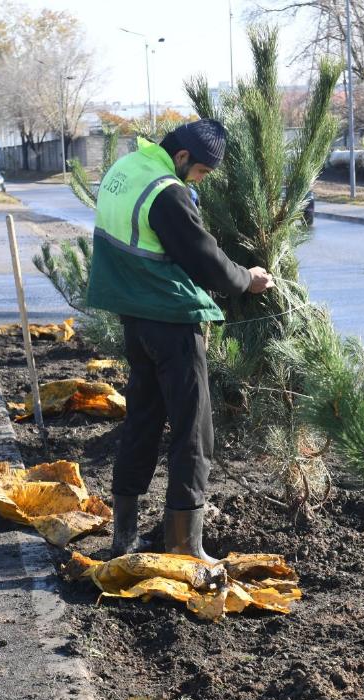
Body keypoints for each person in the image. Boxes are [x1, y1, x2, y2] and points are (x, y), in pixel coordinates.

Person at [86, 119, 274, 562]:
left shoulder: (127, 167)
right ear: (184, 156)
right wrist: (248, 279)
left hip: (134, 316)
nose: (199, 181)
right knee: (193, 430)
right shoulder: (167, 191)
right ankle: (185, 546)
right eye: (202, 172)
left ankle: (125, 535)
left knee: (143, 421)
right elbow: (206, 260)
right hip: (170, 318)